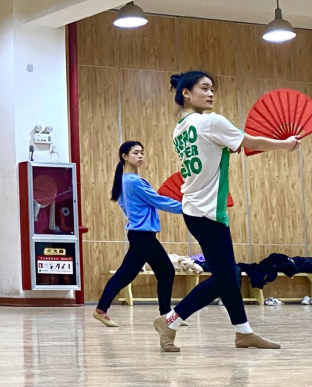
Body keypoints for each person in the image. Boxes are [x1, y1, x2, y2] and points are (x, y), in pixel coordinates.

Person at [154, 72, 300, 352]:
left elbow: (214, 150)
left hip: (194, 209)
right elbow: (250, 142)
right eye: (204, 88)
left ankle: (243, 332)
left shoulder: (180, 129)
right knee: (225, 276)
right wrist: (285, 144)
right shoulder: (211, 121)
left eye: (212, 89)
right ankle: (170, 320)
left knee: (228, 271)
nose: (211, 94)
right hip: (208, 210)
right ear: (186, 93)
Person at [93, 141, 183, 327]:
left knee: (166, 271)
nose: (140, 156)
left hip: (142, 235)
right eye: (135, 153)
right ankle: (101, 310)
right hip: (142, 236)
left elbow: (125, 205)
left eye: (142, 152)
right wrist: (187, 208)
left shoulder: (123, 181)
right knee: (126, 274)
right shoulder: (134, 182)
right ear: (125, 156)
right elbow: (158, 200)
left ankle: (166, 315)